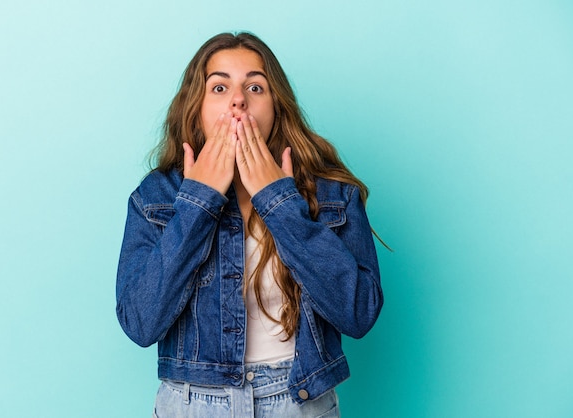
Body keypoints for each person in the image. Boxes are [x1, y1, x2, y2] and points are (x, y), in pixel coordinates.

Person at [116, 32, 383, 417]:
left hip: (299, 401)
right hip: (193, 403)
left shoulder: (332, 194)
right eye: (220, 87)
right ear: (196, 107)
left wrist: (279, 202)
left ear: (276, 106)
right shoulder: (156, 196)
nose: (238, 99)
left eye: (255, 86)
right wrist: (198, 202)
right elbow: (140, 323)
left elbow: (358, 314)